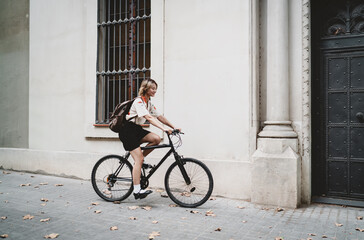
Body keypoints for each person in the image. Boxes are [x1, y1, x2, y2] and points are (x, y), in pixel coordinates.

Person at [118, 79, 180, 200]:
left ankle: (140, 160)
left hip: (136, 130)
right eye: (152, 88)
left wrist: (173, 127)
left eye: (156, 88)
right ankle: (137, 191)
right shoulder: (139, 101)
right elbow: (148, 117)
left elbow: (159, 116)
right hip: (127, 131)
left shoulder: (148, 103)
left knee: (156, 139)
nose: (155, 90)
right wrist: (164, 129)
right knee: (139, 160)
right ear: (145, 89)